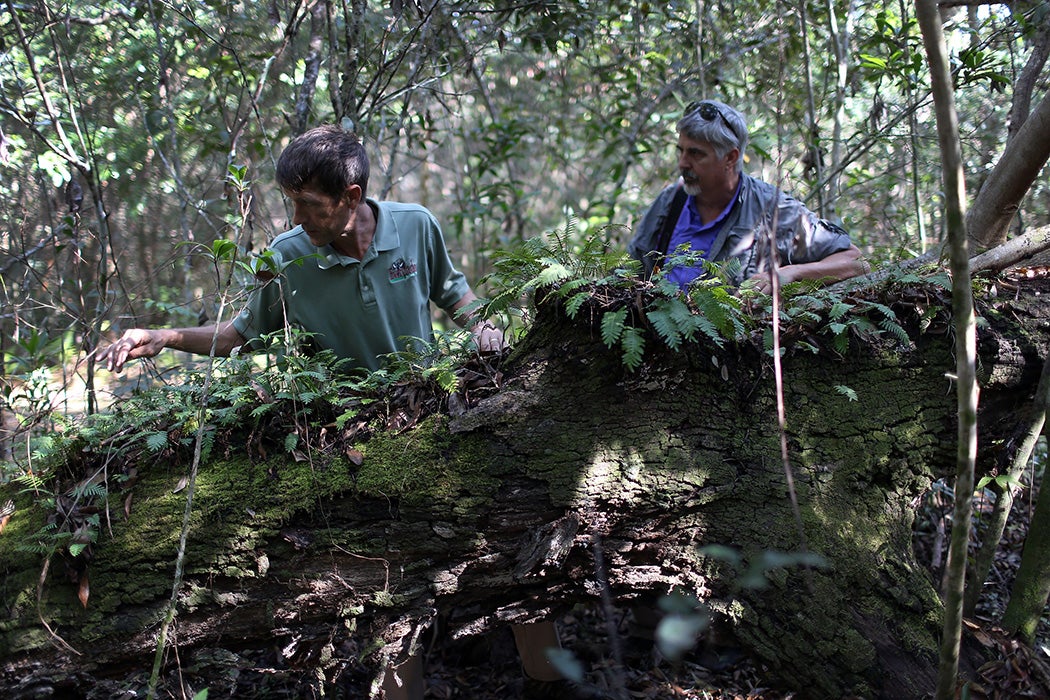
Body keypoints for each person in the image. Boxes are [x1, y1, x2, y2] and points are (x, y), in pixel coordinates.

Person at [96, 125, 563, 700]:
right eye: (291, 203)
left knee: (513, 561)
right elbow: (239, 333)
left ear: (351, 194)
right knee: (394, 591)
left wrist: (485, 328)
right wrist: (163, 336)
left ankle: (552, 682)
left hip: (436, 422)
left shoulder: (414, 225)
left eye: (309, 205)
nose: (298, 218)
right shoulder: (288, 258)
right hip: (353, 447)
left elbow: (453, 291)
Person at [628, 99, 867, 293]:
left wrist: (788, 275)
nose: (682, 163)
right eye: (680, 151)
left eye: (696, 154)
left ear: (730, 158)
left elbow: (855, 262)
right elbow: (631, 272)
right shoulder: (671, 201)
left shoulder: (772, 209)